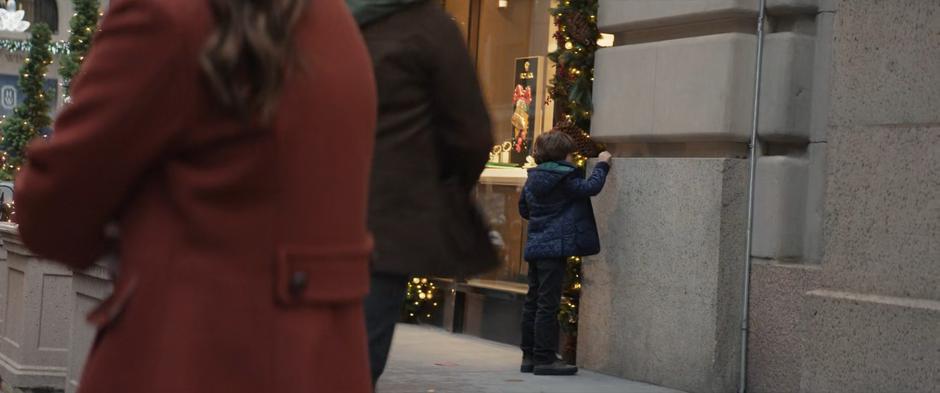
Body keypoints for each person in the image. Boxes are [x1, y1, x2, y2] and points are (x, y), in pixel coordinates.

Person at [13, 0, 377, 392]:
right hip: (322, 365)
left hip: (197, 359)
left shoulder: (171, 14)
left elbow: (50, 208)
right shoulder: (336, 24)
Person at [345, 0, 499, 385]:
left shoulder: (302, 19)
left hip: (300, 218)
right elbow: (471, 135)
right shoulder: (427, 27)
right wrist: (436, 184)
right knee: (356, 365)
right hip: (384, 222)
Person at [518, 131, 612, 376]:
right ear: (564, 156)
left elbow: (524, 210)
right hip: (554, 249)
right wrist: (602, 163)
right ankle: (545, 359)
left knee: (534, 302)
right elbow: (591, 187)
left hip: (535, 247)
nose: (573, 158)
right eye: (571, 154)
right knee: (548, 305)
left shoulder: (532, 177)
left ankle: (528, 356)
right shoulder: (564, 177)